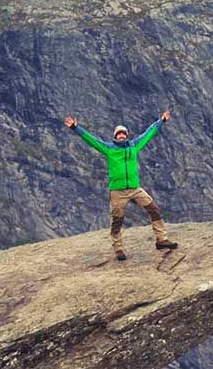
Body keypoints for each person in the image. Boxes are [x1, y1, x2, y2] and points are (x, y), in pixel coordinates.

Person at [64, 109, 178, 260]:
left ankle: (161, 240)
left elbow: (148, 133)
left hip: (134, 188)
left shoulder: (134, 146)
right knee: (117, 219)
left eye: (123, 133)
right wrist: (75, 128)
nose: (121, 135)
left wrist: (161, 121)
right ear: (115, 137)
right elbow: (91, 140)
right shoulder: (109, 149)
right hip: (117, 191)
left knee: (154, 210)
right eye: (119, 134)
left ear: (126, 135)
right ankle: (118, 248)